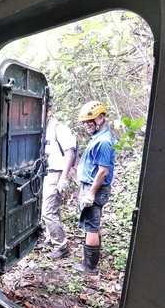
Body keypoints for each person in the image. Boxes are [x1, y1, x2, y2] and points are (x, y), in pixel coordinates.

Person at [73, 101, 115, 274]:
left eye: (90, 120)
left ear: (101, 117)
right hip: (92, 187)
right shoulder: (98, 137)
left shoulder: (104, 141)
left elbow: (103, 171)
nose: (86, 124)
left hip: (95, 189)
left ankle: (89, 267)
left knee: (91, 226)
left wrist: (90, 193)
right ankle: (89, 262)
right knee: (93, 225)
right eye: (84, 121)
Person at [43, 104, 76, 259]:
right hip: (46, 173)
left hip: (56, 173)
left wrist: (64, 177)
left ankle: (61, 246)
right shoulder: (43, 128)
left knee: (48, 211)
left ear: (49, 110)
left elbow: (70, 153)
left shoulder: (59, 128)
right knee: (53, 209)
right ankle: (51, 238)